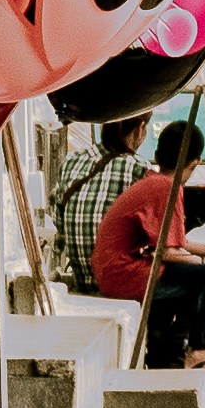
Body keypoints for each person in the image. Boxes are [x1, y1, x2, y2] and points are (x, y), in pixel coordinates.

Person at [91, 118, 205, 372]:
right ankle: (200, 350)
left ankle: (170, 351)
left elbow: (178, 243)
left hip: (120, 270)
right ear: (195, 163)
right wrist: (202, 262)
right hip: (123, 275)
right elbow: (170, 253)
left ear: (157, 156)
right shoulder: (166, 188)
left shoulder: (154, 181)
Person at [48, 114, 143, 292]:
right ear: (140, 129)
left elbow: (59, 224)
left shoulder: (71, 161)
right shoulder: (140, 168)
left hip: (82, 285)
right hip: (119, 289)